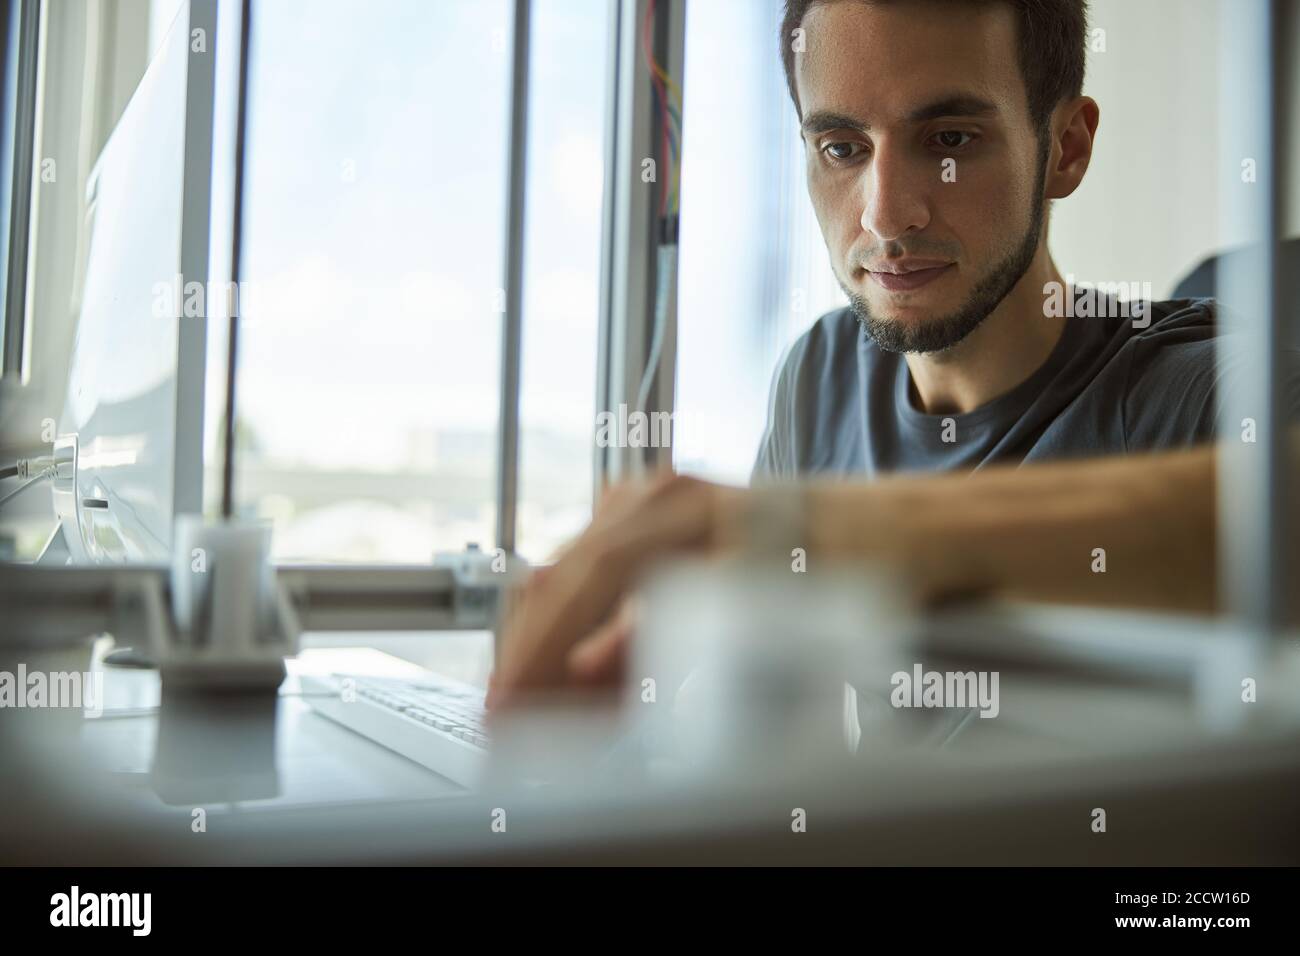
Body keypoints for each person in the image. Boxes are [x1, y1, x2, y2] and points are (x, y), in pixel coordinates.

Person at [484, 0, 1296, 710]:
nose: (886, 216)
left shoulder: (1189, 390)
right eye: (842, 147)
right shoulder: (826, 371)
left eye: (949, 137)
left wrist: (796, 532)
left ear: (1067, 147)